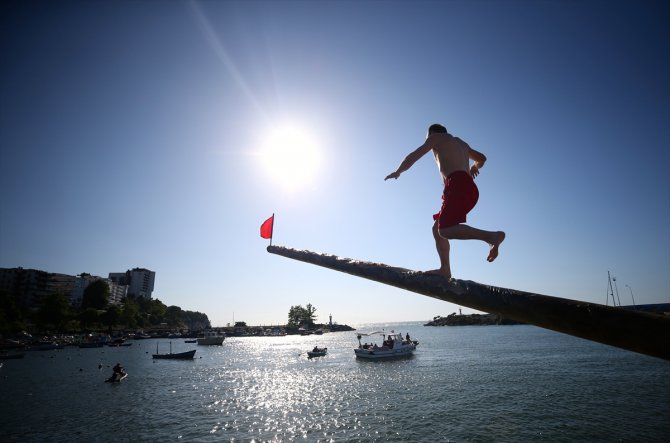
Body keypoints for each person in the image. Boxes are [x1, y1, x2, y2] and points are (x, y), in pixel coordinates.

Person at [385, 123, 505, 279]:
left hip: (457, 186)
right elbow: (482, 158)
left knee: (445, 230)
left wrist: (398, 171)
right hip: (467, 188)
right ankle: (445, 269)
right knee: (437, 228)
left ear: (432, 134)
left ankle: (491, 236)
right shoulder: (461, 143)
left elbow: (414, 155)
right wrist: (475, 167)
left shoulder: (436, 138)